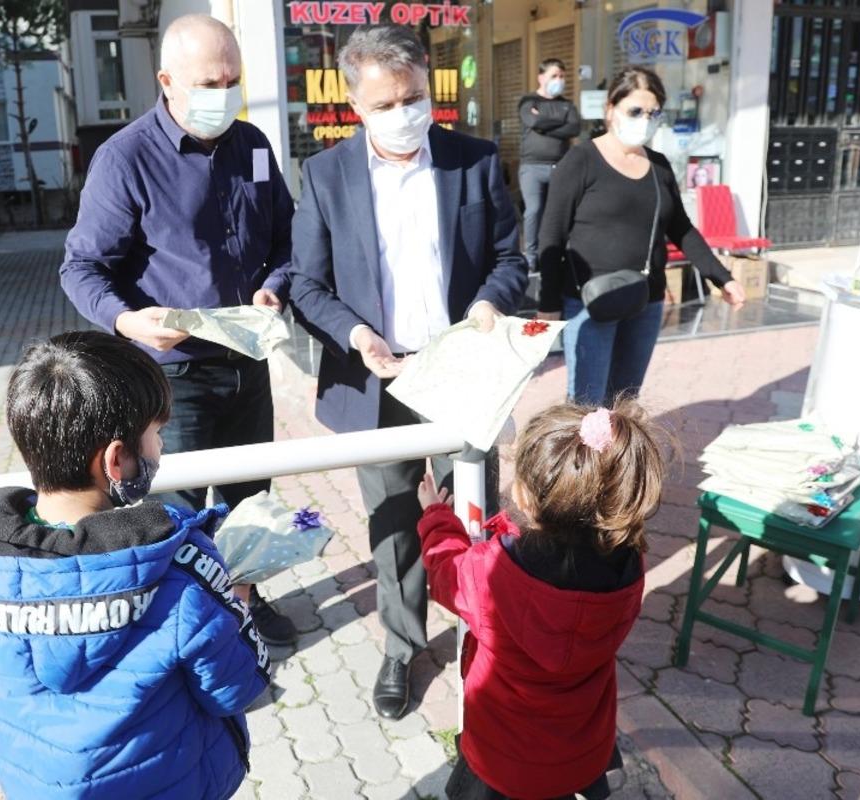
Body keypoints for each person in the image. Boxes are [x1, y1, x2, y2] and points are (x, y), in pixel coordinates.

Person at [290, 25, 528, 720]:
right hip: (378, 378)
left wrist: (489, 303)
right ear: (355, 104)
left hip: (459, 371)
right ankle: (401, 646)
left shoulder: (473, 161)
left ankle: (483, 635)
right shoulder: (325, 175)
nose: (406, 113)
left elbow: (511, 259)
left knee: (476, 511)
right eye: (387, 102)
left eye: (415, 97)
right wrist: (356, 335)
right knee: (394, 519)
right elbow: (308, 285)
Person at [0, 331, 271, 799]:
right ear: (117, 461)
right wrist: (235, 595)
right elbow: (237, 686)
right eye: (157, 434)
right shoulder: (175, 573)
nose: (161, 448)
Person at [59, 14, 296, 645]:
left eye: (233, 80)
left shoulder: (252, 147)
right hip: (171, 377)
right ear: (166, 81)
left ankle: (244, 600)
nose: (224, 92)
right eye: (208, 81)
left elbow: (285, 243)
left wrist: (277, 285)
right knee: (179, 511)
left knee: (251, 500)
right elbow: (81, 268)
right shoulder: (125, 160)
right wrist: (126, 318)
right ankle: (188, 627)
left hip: (248, 361)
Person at [416, 400, 665, 800]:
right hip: (578, 749)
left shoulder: (494, 573)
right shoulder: (629, 564)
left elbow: (445, 570)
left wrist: (434, 516)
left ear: (527, 500)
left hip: (503, 757)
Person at [536, 66, 747, 406]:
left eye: (653, 112)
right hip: (590, 302)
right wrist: (548, 305)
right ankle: (590, 461)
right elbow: (551, 235)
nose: (645, 119)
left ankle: (620, 461)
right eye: (635, 110)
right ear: (611, 109)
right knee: (587, 406)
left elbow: (681, 228)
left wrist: (722, 277)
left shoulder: (660, 167)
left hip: (645, 301)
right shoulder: (581, 160)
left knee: (625, 401)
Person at [517, 58, 581, 270]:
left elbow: (574, 128)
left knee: (557, 212)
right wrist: (557, 122)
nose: (559, 80)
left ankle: (556, 255)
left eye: (562, 76)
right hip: (532, 167)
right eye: (554, 76)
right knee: (534, 210)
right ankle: (531, 257)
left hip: (559, 166)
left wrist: (544, 125)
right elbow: (532, 121)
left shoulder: (567, 105)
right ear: (541, 77)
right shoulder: (528, 102)